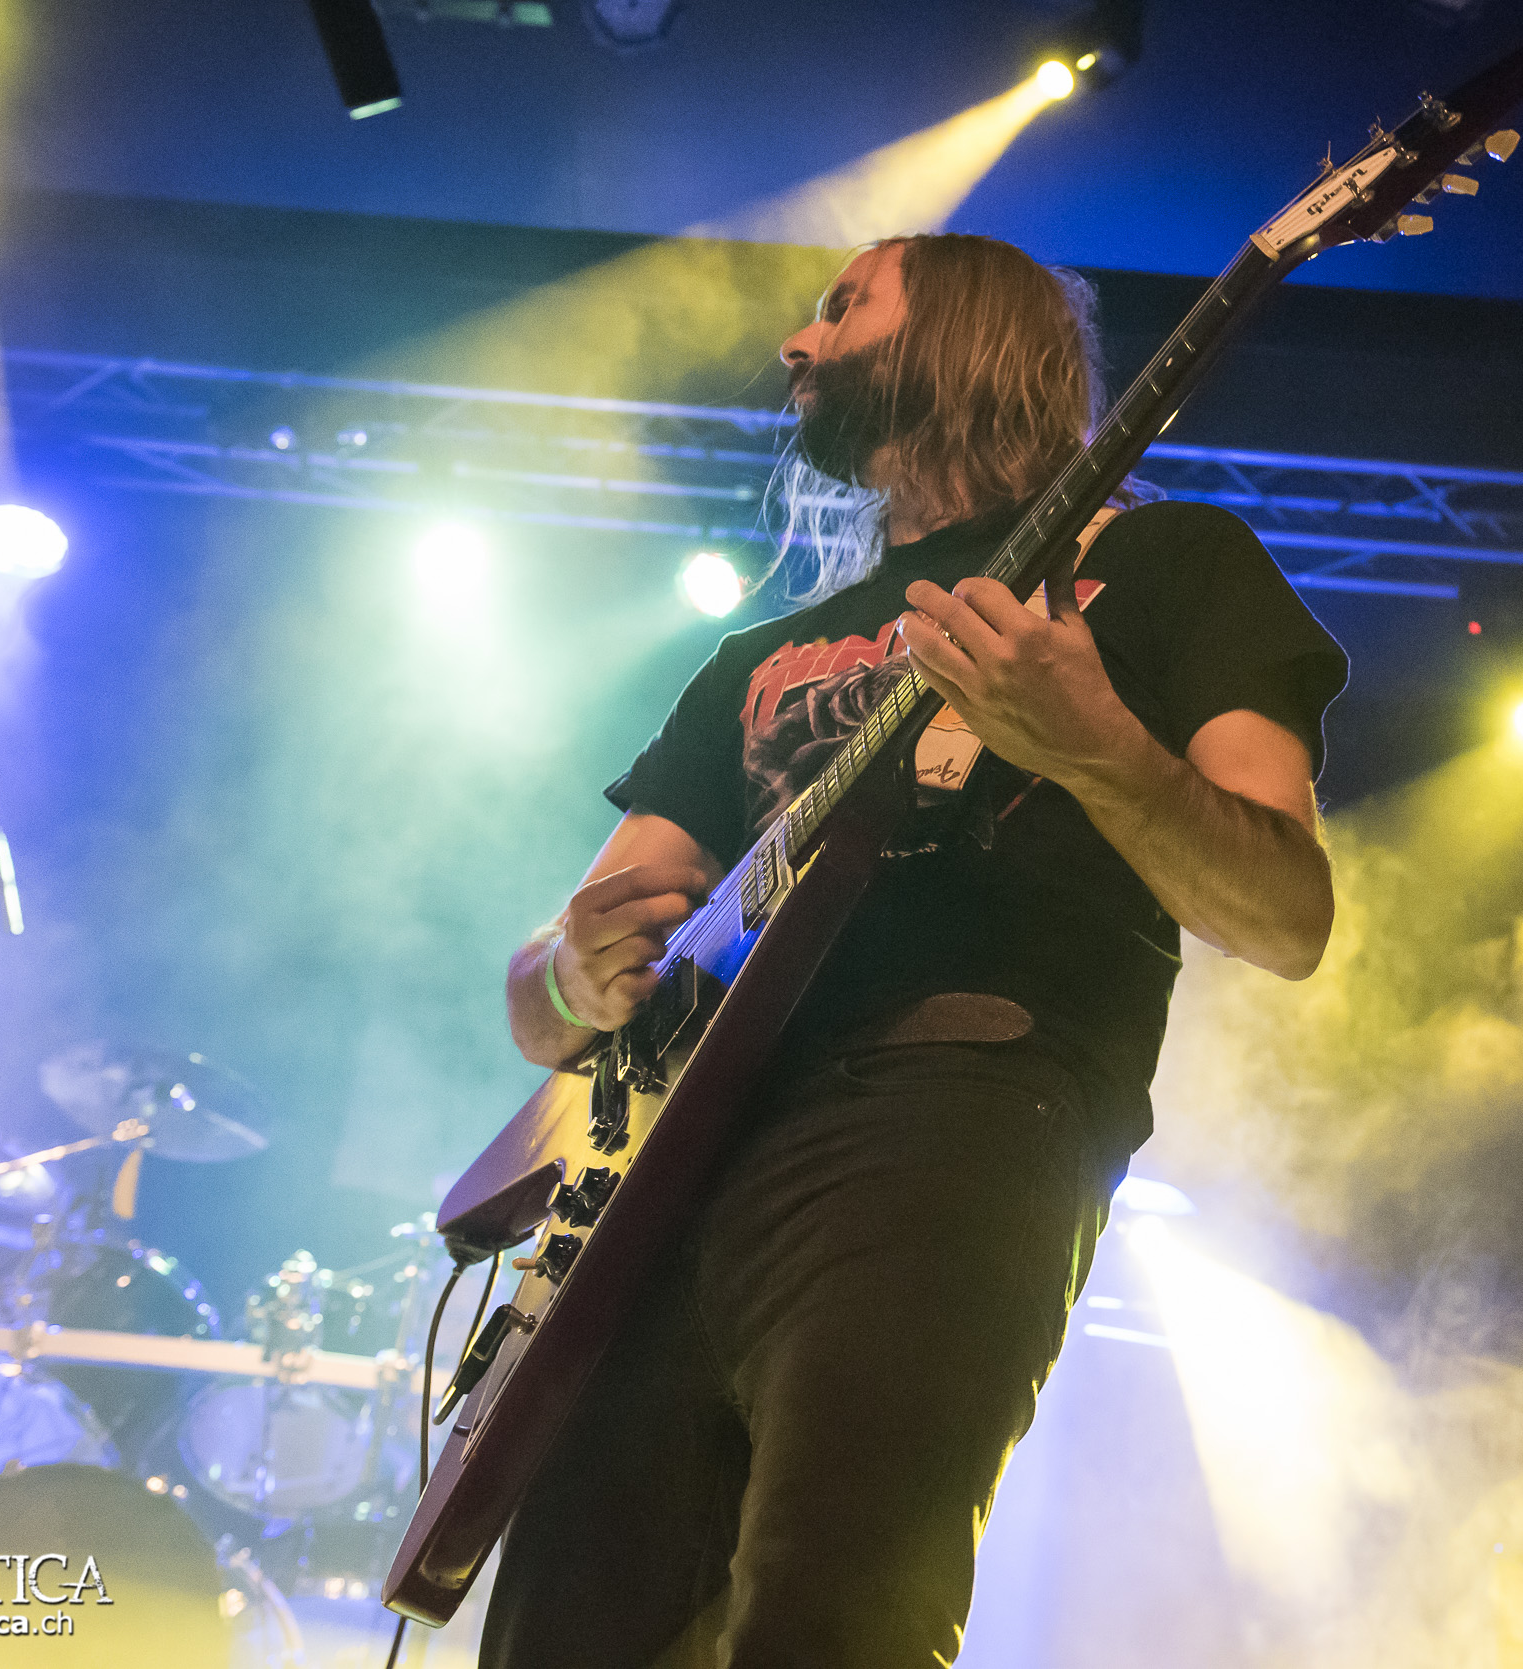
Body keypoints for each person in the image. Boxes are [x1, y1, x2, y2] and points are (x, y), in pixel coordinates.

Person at [477, 232, 1348, 1668]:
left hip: (952, 1109)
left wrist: (1097, 749)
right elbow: (551, 998)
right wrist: (567, 968)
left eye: (841, 307)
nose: (795, 343)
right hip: (671, 1176)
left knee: (830, 1620)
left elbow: (1286, 916)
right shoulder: (753, 660)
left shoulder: (1167, 563)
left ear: (963, 333)